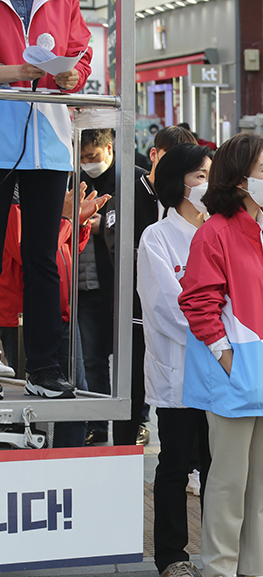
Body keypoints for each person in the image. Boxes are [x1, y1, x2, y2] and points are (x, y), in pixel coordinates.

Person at [178, 132, 263, 577]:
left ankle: (254, 569)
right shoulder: (215, 232)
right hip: (235, 374)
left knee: (262, 480)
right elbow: (198, 301)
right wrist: (225, 356)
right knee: (228, 479)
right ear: (240, 178)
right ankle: (217, 573)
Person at [0, 0, 92, 400]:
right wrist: (15, 73)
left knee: (43, 256)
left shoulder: (64, 2)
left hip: (49, 142)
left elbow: (82, 53)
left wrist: (73, 77)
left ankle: (43, 367)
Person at [140, 143, 213, 577]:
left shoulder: (221, 231)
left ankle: (222, 553)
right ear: (180, 182)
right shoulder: (157, 239)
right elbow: (168, 308)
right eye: (202, 175)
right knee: (174, 465)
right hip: (180, 370)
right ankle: (172, 556)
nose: (209, 183)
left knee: (217, 465)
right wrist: (217, 333)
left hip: (223, 371)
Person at [0, 183, 107, 444]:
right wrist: (67, 219)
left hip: (62, 312)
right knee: (32, 408)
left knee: (74, 396)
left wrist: (76, 222)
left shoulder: (40, 200)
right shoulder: (12, 203)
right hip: (24, 319)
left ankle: (71, 460)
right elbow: (32, 251)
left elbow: (65, 248)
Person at [77, 128, 150, 446]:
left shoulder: (134, 180)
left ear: (109, 148)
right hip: (85, 285)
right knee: (91, 358)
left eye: (91, 156)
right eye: (81, 158)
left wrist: (105, 224)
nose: (86, 163)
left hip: (125, 287)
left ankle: (139, 420)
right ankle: (97, 422)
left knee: (133, 360)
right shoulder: (72, 179)